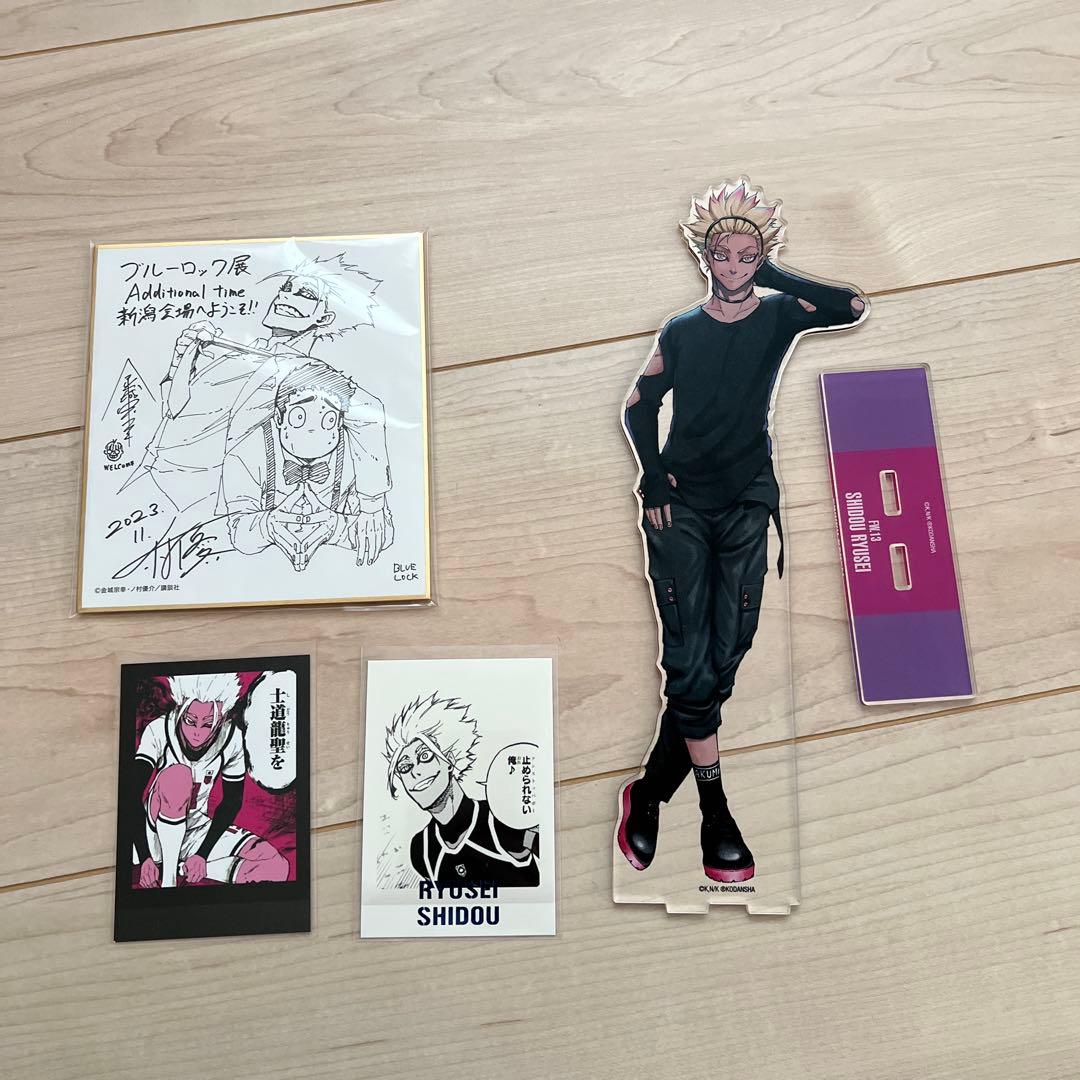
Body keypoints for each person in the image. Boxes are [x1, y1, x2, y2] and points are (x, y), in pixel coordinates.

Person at [616, 179, 867, 883]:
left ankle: (648, 791)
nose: (732, 267)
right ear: (703, 257)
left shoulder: (781, 315)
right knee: (691, 662)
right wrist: (653, 477)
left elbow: (850, 307)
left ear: (761, 258)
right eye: (721, 255)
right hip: (678, 504)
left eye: (746, 256)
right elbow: (638, 406)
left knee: (729, 651)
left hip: (749, 497)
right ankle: (715, 812)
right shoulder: (681, 330)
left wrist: (775, 270)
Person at [125, 253, 383, 525]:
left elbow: (371, 415)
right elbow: (174, 408)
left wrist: (372, 504)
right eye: (286, 288)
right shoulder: (231, 351)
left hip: (200, 497)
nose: (285, 297)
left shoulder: (306, 371)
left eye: (305, 294)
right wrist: (183, 358)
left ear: (325, 317)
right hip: (151, 477)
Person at [220, 359, 392, 569]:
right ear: (279, 417)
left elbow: (381, 533)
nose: (313, 430)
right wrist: (268, 526)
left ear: (339, 423)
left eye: (328, 420)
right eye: (299, 417)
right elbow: (238, 533)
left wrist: (333, 527)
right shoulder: (246, 453)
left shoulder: (357, 452)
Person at [132, 672, 290, 887]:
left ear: (220, 719)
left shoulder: (231, 737)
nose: (197, 732)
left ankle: (181, 868)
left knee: (275, 866)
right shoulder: (159, 729)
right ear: (180, 709)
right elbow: (131, 794)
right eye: (190, 721)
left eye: (207, 724)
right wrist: (144, 856)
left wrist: (202, 855)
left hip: (196, 827)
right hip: (155, 829)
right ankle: (168, 880)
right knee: (179, 776)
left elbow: (232, 801)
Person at [385, 693, 540, 887]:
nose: (415, 772)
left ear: (450, 760)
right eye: (404, 767)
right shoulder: (421, 850)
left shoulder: (502, 819)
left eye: (425, 756)